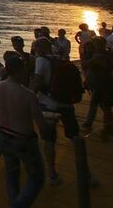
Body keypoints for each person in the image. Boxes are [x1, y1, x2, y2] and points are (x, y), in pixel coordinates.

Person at [0, 55, 47, 208]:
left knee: (12, 174)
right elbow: (41, 124)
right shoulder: (28, 95)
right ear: (20, 70)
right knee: (37, 177)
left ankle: (13, 202)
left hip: (4, 135)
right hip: (23, 138)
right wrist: (49, 127)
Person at [29, 38, 80, 186]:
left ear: (39, 48)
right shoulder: (61, 59)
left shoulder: (41, 61)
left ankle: (52, 173)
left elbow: (37, 82)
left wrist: (28, 96)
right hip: (66, 103)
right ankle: (87, 172)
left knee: (49, 140)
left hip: (48, 105)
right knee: (75, 136)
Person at [81, 37, 113, 139]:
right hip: (98, 85)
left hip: (106, 85)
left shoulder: (109, 56)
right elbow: (85, 65)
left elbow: (112, 70)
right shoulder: (96, 56)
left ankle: (109, 127)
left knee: (105, 107)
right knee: (99, 105)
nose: (95, 46)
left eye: (96, 44)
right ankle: (107, 126)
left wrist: (99, 61)